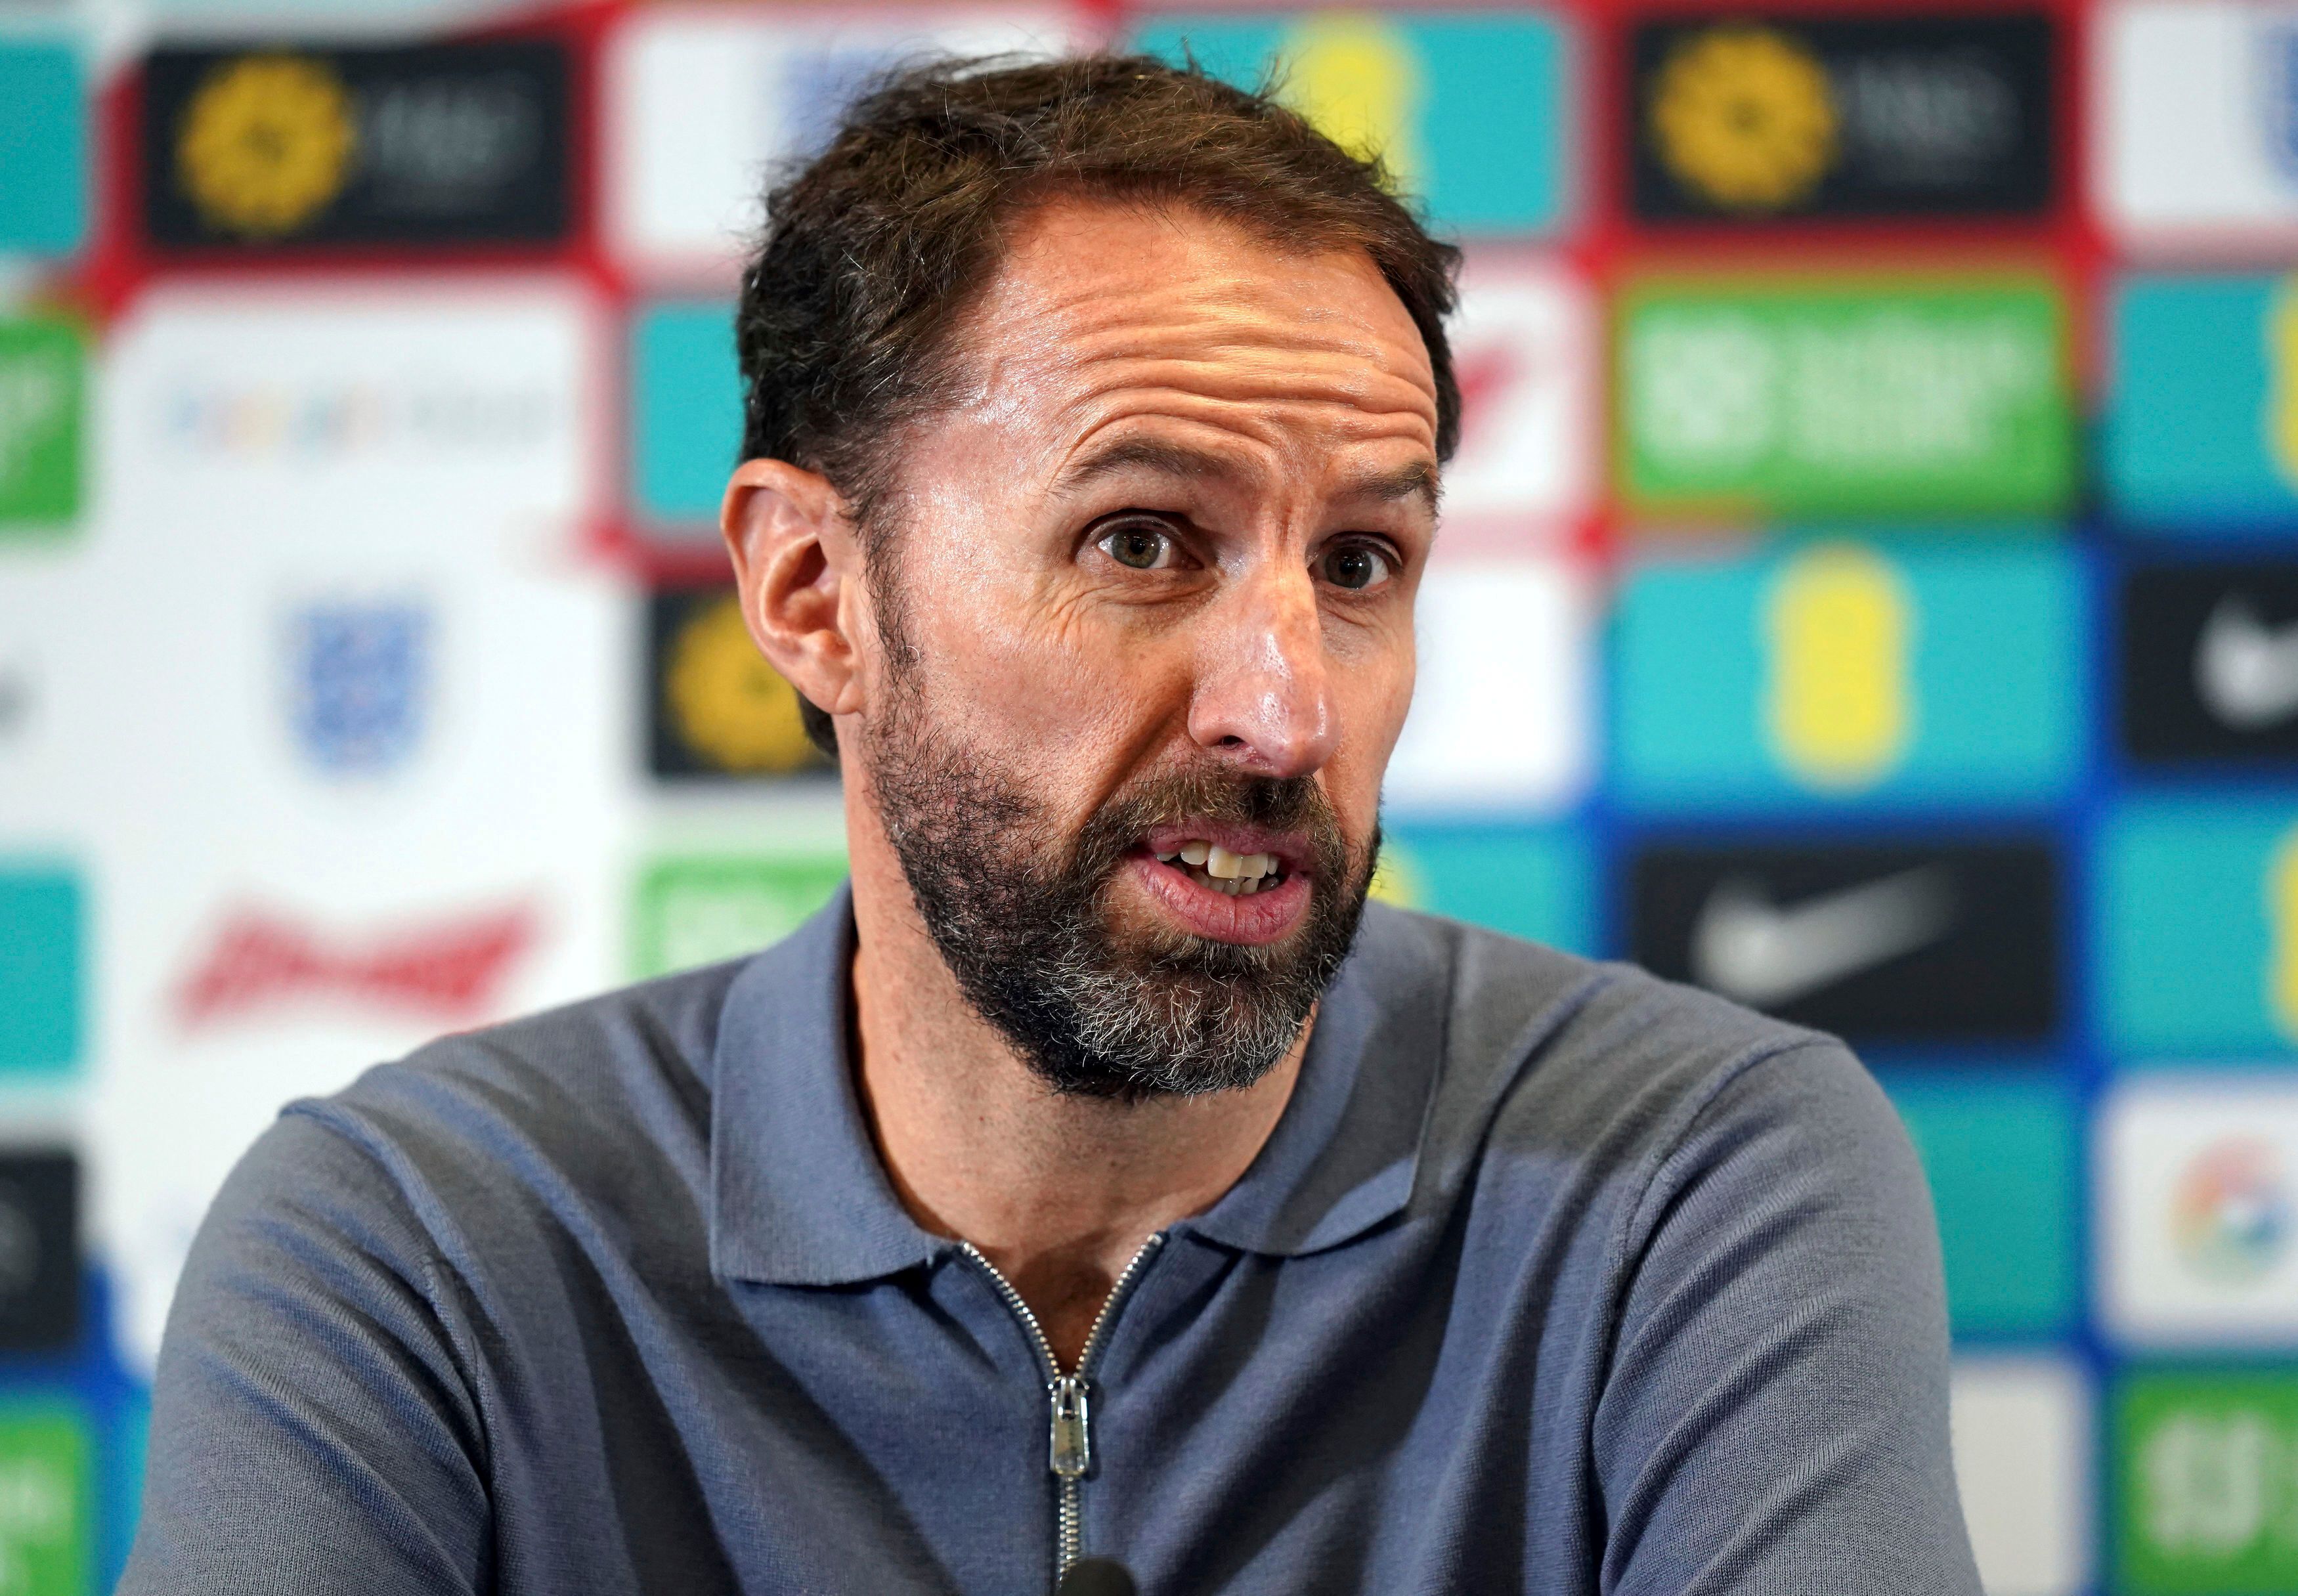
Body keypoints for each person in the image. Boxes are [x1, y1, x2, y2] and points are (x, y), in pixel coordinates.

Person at [121, 54, 1983, 1596]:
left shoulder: (1688, 1181)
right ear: (813, 592)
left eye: (1359, 563)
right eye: (1142, 542)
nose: (1286, 709)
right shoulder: (420, 1245)